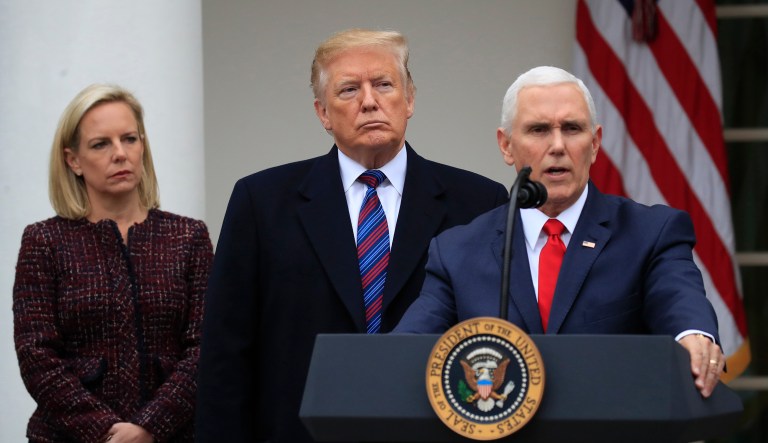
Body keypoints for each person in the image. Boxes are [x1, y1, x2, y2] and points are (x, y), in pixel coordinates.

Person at [195, 28, 509, 443]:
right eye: (348, 90)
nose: (369, 101)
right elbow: (225, 351)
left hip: (435, 429)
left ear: (409, 99)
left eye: (383, 84)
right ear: (322, 113)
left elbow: (496, 336)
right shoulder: (261, 202)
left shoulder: (480, 201)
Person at [394, 66, 725, 398]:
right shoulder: (458, 251)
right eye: (539, 130)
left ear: (594, 143)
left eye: (572, 129)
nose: (557, 146)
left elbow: (679, 297)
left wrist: (693, 336)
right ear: (506, 146)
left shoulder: (650, 234)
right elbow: (404, 352)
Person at [13, 84, 214, 443]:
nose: (120, 154)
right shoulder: (45, 241)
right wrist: (103, 431)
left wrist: (150, 427)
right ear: (72, 160)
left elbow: (206, 346)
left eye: (130, 139)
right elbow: (35, 353)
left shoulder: (188, 236)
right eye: (100, 144)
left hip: (174, 435)